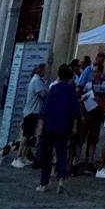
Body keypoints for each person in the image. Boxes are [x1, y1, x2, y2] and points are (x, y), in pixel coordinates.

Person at [37, 64, 81, 192]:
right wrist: (74, 127)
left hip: (50, 126)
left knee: (47, 154)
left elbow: (45, 109)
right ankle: (61, 180)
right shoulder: (71, 91)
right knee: (62, 153)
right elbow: (75, 112)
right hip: (63, 126)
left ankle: (43, 183)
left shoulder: (54, 89)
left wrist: (41, 126)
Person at [15, 62, 48, 168]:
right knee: (25, 136)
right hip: (31, 112)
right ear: (41, 71)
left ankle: (24, 156)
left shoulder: (36, 80)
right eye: (44, 70)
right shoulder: (37, 81)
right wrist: (47, 89)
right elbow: (43, 94)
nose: (45, 72)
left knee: (28, 136)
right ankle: (18, 157)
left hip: (32, 111)